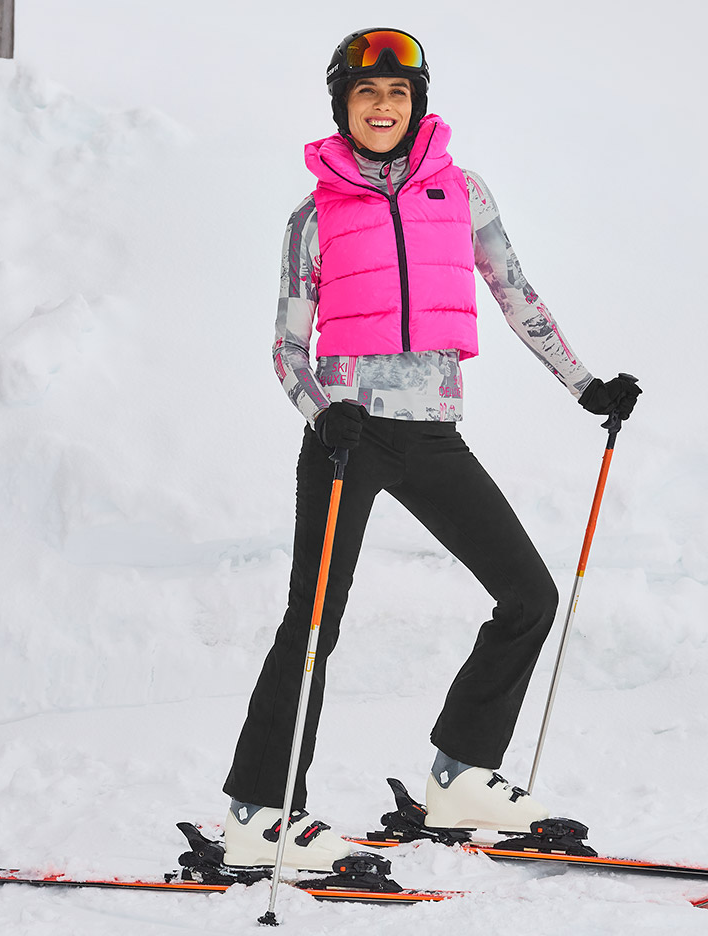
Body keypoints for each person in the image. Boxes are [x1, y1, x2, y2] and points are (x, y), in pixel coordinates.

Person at [221, 27, 641, 872]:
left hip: (434, 433)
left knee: (528, 594)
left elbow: (516, 293)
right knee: (313, 622)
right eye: (367, 94)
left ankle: (459, 775)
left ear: (418, 104)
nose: (384, 107)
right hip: (348, 440)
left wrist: (585, 385)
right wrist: (320, 412)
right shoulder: (314, 218)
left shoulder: (463, 194)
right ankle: (259, 814)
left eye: (398, 93)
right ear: (342, 106)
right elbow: (285, 348)